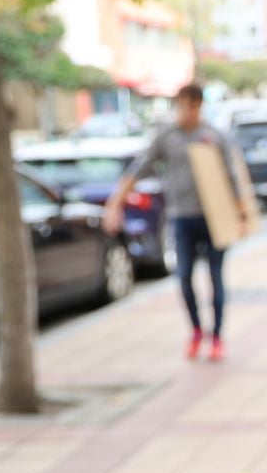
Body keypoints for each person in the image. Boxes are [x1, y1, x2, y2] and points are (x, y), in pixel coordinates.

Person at [105, 83, 246, 362]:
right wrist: (115, 203)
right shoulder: (166, 136)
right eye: (182, 105)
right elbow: (139, 169)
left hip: (214, 218)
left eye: (192, 106)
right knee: (184, 277)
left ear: (199, 106)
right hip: (181, 218)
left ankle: (217, 336)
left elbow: (232, 176)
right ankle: (196, 330)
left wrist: (241, 215)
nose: (187, 112)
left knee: (216, 279)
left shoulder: (213, 136)